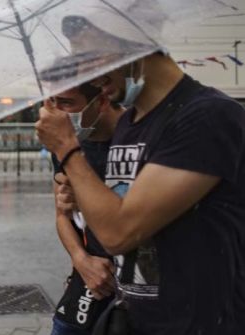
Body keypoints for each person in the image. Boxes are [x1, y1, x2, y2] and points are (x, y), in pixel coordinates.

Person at [36, 14, 245, 335]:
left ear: (128, 43)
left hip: (198, 322)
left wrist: (67, 149)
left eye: (91, 57)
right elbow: (124, 217)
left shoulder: (207, 116)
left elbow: (119, 232)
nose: (87, 72)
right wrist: (80, 201)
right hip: (138, 317)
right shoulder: (131, 125)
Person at [43, 83, 124, 335]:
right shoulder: (65, 144)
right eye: (52, 102)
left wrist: (89, 201)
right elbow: (62, 216)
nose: (57, 113)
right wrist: (80, 259)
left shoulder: (136, 138)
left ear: (100, 101)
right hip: (89, 278)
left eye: (66, 103)